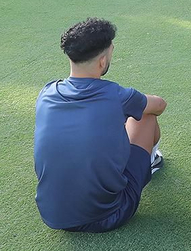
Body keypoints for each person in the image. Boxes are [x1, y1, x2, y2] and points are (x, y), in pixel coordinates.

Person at [33, 18, 167, 232]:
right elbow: (159, 105)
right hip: (110, 215)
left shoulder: (47, 92)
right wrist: (137, 102)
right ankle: (153, 160)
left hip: (53, 216)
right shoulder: (117, 95)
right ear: (102, 61)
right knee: (146, 115)